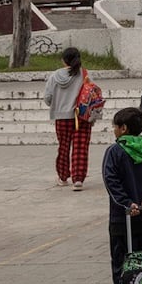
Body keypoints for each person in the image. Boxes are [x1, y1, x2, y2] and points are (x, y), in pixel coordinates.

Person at [102, 107, 142, 284]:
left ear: (123, 129)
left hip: (121, 217)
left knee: (120, 260)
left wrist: (128, 204)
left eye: (115, 126)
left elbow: (111, 181)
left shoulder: (114, 151)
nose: (114, 129)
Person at [44, 47, 92, 191]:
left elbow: (47, 99)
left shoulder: (54, 76)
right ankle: (78, 179)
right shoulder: (84, 74)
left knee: (64, 147)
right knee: (80, 147)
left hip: (61, 117)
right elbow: (91, 94)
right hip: (81, 117)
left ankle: (63, 177)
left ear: (64, 60)